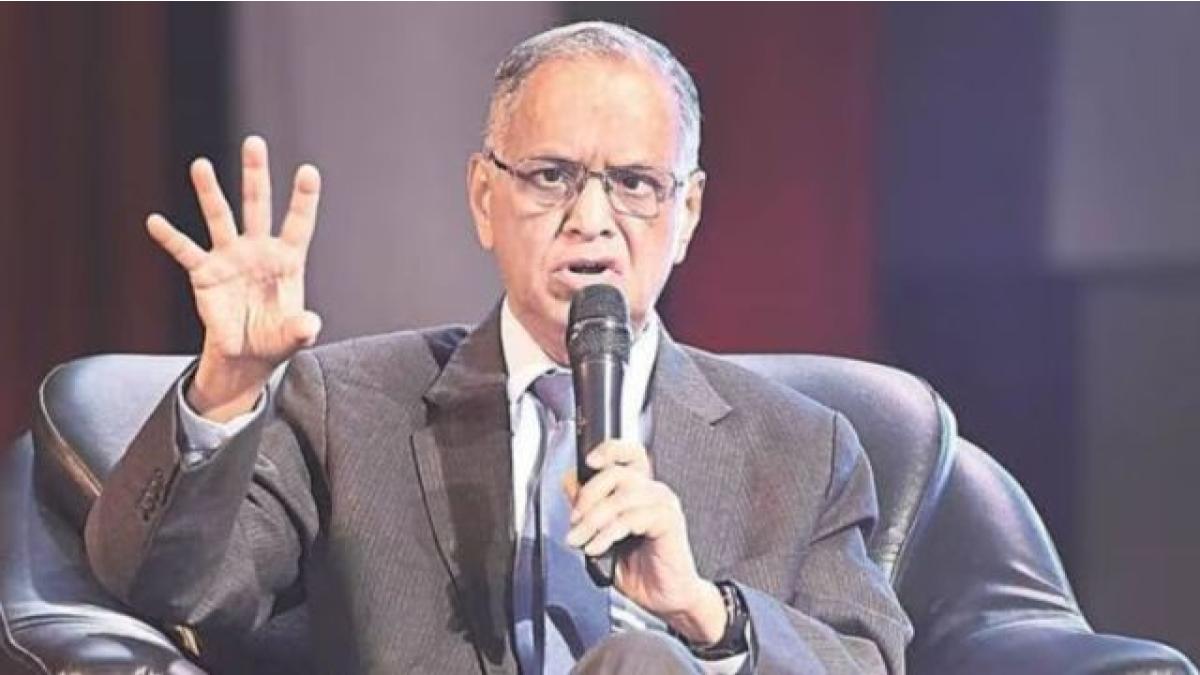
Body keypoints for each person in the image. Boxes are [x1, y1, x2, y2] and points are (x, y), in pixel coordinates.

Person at [84, 21, 912, 674]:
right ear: (485, 197)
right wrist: (226, 386)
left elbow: (866, 661)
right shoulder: (345, 408)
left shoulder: (802, 449)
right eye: (552, 176)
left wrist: (704, 609)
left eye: (633, 184)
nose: (591, 221)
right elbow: (173, 588)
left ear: (686, 213)